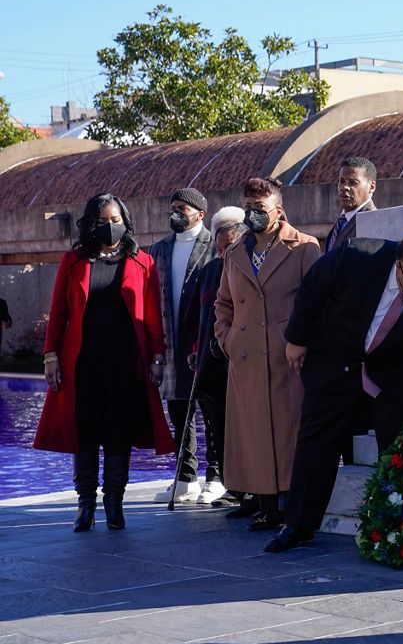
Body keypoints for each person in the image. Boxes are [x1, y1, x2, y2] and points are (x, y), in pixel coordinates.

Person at [264, 236, 403, 552]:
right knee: (316, 442)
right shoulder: (356, 257)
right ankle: (298, 525)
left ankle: (398, 527)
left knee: (400, 452)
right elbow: (313, 288)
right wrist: (296, 339)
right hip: (337, 361)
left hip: (397, 377)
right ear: (399, 264)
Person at [35, 193, 173, 532]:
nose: (110, 227)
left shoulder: (143, 263)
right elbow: (58, 313)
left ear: (125, 222)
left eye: (115, 220)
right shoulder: (74, 260)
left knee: (118, 432)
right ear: (89, 224)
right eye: (102, 221)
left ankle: (114, 503)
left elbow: (153, 316)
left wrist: (158, 356)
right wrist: (50, 355)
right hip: (83, 365)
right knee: (84, 432)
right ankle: (85, 504)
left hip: (126, 365)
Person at [214, 178, 320, 531]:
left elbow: (317, 302)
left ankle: (293, 505)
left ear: (278, 209)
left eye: (260, 209)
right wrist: (228, 339)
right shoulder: (234, 252)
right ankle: (264, 505)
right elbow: (223, 302)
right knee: (253, 432)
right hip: (245, 356)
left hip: (287, 355)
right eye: (248, 208)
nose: (252, 215)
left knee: (288, 430)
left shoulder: (304, 247)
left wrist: (301, 340)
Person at [149, 188, 215, 504]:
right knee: (178, 410)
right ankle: (185, 476)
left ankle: (216, 476)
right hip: (171, 340)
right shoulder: (159, 249)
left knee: (212, 410)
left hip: (202, 341)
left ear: (200, 214)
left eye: (183, 208)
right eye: (173, 207)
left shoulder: (215, 245)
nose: (176, 213)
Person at [181, 207, 247, 507]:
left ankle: (248, 485)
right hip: (212, 363)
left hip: (242, 364)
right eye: (219, 249)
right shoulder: (208, 272)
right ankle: (226, 481)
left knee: (245, 428)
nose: (223, 255)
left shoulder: (248, 271)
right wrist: (195, 351)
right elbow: (195, 317)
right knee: (216, 427)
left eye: (229, 248)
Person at [325, 157, 378, 253]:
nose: (344, 187)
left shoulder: (374, 223)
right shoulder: (340, 222)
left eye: (353, 182)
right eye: (341, 181)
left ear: (371, 187)